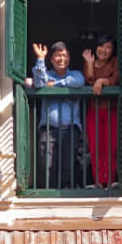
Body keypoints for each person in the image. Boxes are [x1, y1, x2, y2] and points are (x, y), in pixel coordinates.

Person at [29, 41, 86, 189]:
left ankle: (67, 192)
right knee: (47, 164)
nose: (62, 58)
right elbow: (39, 82)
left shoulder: (75, 74)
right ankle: (49, 193)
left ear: (69, 58)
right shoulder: (46, 75)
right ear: (52, 59)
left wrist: (54, 84)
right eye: (58, 55)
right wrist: (40, 59)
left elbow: (78, 82)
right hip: (49, 129)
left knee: (68, 164)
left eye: (65, 55)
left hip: (70, 128)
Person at [81, 36, 119, 188]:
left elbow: (115, 78)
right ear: (96, 48)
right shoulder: (89, 62)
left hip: (111, 110)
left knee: (110, 146)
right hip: (94, 110)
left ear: (112, 50)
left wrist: (102, 81)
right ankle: (98, 181)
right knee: (95, 147)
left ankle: (109, 180)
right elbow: (88, 81)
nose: (104, 50)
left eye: (108, 47)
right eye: (101, 46)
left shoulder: (114, 62)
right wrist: (90, 64)